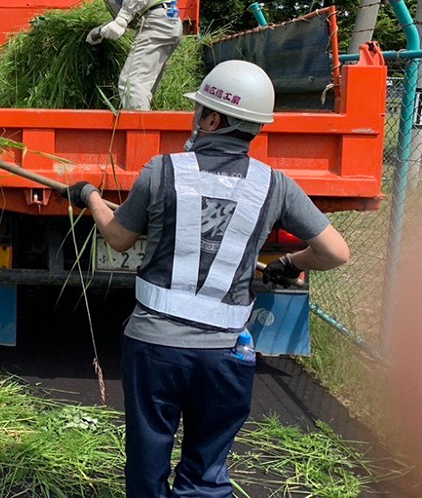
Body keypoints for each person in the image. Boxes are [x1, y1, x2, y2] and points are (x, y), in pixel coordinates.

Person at [62, 60, 350, 497]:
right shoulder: (275, 185)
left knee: (147, 457)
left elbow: (119, 237)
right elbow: (335, 252)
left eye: (200, 112)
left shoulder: (163, 171)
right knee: (207, 467)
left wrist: (90, 197)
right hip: (226, 354)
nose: (195, 120)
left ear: (213, 119)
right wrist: (289, 264)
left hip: (156, 346)